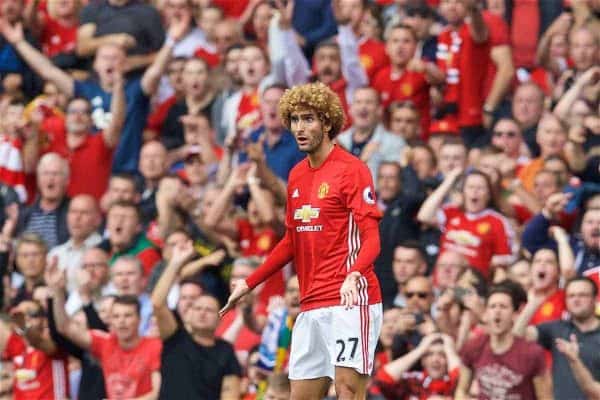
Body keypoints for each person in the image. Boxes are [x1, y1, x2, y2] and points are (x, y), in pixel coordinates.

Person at [220, 82, 383, 399]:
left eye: (308, 119)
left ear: (327, 121)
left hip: (350, 301)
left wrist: (354, 274)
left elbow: (372, 238)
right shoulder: (296, 175)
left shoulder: (352, 170)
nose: (300, 128)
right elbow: (291, 242)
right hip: (310, 303)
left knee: (348, 390)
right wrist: (249, 283)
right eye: (294, 120)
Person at [47, 259, 162, 400]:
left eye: (128, 316)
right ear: (111, 321)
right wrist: (57, 291)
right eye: (116, 316)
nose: (122, 321)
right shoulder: (105, 343)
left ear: (139, 319)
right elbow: (65, 327)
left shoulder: (154, 346)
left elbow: (157, 394)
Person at [151, 238, 242, 399]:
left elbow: (231, 394)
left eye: (209, 310)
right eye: (198, 308)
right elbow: (158, 303)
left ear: (219, 319)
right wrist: (176, 262)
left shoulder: (225, 351)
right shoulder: (174, 337)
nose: (202, 313)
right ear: (189, 313)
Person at [456, 282, 552, 400]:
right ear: (486, 313)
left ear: (514, 314)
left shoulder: (532, 353)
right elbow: (461, 390)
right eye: (493, 306)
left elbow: (546, 398)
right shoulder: (474, 346)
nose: (497, 311)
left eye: (503, 306)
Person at [513, 277, 600, 400]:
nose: (576, 300)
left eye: (583, 295)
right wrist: (533, 304)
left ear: (595, 299)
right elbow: (517, 336)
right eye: (571, 296)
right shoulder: (557, 328)